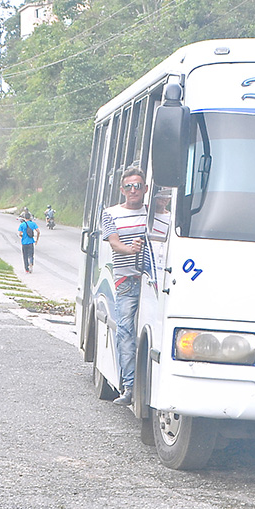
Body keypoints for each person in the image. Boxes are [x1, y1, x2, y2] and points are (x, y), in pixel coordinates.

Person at [101, 166, 148, 406]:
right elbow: (115, 244)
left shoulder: (156, 215)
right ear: (122, 190)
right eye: (129, 186)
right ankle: (129, 387)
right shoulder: (110, 214)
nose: (133, 190)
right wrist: (131, 249)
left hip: (153, 283)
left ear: (145, 189)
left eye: (137, 186)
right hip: (126, 283)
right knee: (126, 333)